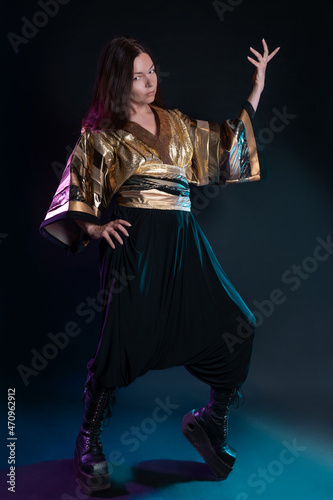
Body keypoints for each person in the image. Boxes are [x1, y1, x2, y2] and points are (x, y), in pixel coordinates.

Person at [40, 35, 279, 494]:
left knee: (239, 325)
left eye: (152, 71)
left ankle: (210, 421)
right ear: (117, 82)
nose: (149, 81)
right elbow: (78, 190)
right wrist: (94, 229)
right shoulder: (102, 135)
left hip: (184, 243)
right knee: (121, 344)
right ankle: (88, 440)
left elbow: (227, 143)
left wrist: (257, 88)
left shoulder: (176, 124)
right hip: (137, 248)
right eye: (137, 76)